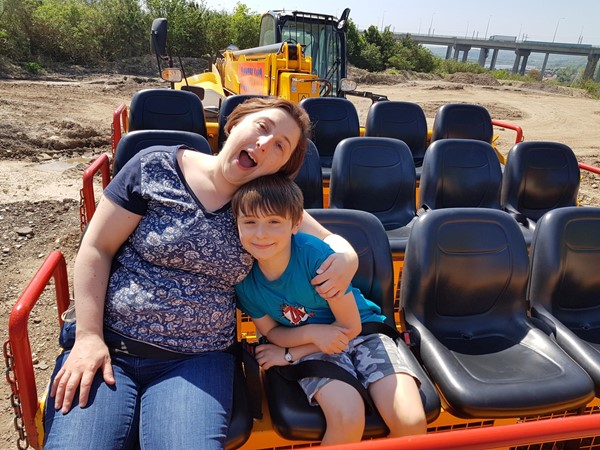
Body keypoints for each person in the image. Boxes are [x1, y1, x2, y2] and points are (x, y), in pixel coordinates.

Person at [43, 97, 360, 450]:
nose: (266, 143)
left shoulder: (260, 204)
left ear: (281, 167)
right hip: (111, 345)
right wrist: (88, 337)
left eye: (281, 146)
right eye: (262, 127)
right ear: (235, 124)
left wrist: (348, 257)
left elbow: (330, 239)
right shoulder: (155, 167)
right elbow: (96, 248)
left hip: (198, 360)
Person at [232, 174, 427, 446]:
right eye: (249, 222)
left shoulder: (316, 257)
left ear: (295, 224)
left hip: (362, 333)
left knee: (411, 421)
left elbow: (351, 327)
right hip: (312, 341)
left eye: (274, 221)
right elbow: (272, 332)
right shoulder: (245, 281)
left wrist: (290, 354)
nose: (261, 234)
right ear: (237, 224)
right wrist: (314, 335)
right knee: (347, 417)